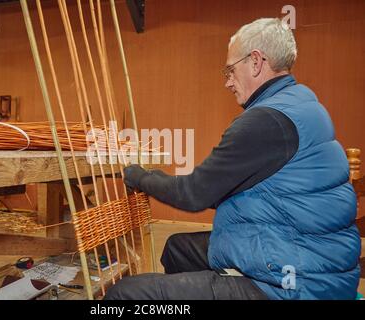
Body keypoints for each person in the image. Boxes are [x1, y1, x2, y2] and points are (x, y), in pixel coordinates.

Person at [104, 18, 361, 300]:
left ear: (255, 61)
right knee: (177, 248)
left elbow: (193, 194)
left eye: (230, 69)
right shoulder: (302, 103)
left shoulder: (265, 121)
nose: (227, 82)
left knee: (124, 293)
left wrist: (138, 176)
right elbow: (230, 190)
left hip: (297, 284)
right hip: (313, 259)